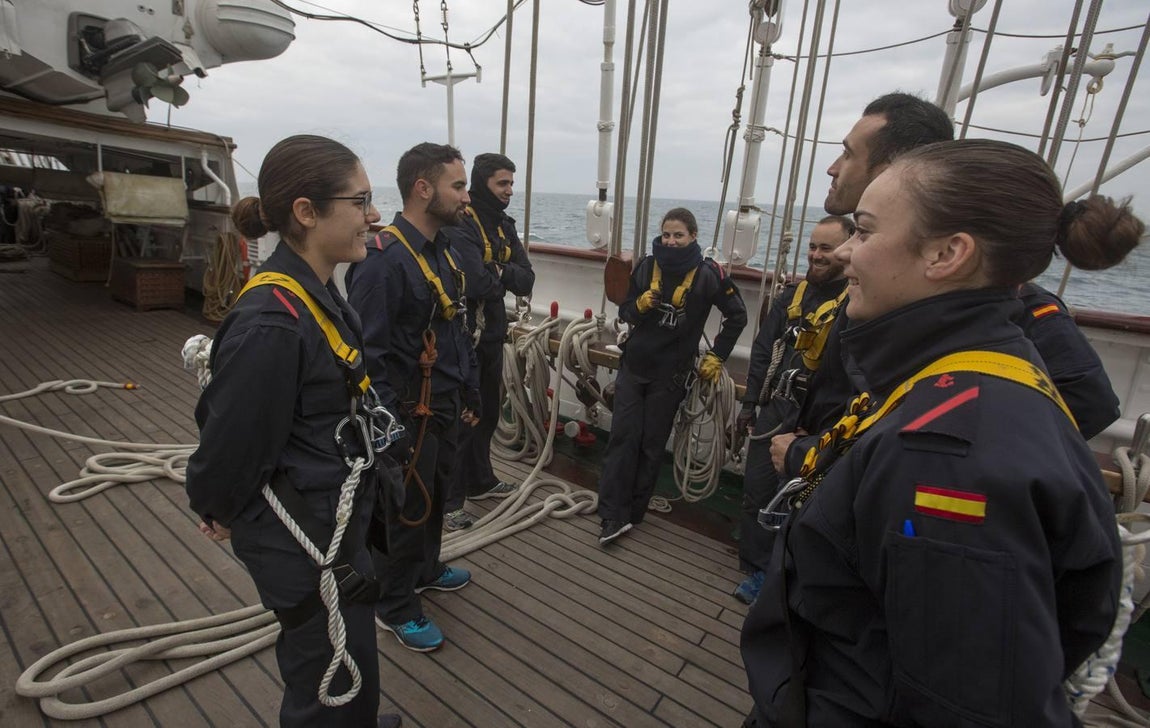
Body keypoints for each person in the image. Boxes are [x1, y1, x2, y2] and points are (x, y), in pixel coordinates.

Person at [741, 138, 1138, 726]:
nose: (848, 253)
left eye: (867, 232)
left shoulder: (946, 456)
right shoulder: (978, 378)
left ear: (948, 253)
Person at [184, 135, 403, 728]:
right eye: (360, 201)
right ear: (307, 213)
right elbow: (231, 443)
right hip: (303, 539)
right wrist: (215, 505)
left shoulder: (313, 295)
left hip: (332, 520)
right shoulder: (273, 323)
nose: (373, 214)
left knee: (349, 648)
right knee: (323, 675)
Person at [346, 142, 478, 653]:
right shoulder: (383, 262)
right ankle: (395, 606)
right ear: (424, 190)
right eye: (458, 186)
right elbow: (366, 355)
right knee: (405, 512)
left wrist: (468, 388)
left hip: (443, 405)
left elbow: (455, 326)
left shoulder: (443, 250)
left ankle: (424, 569)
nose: (466, 198)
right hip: (407, 415)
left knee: (437, 497)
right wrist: (387, 432)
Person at [596, 207, 747, 545]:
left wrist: (717, 356)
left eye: (679, 235)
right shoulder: (648, 267)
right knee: (623, 438)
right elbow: (625, 310)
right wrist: (640, 307)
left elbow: (737, 316)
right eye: (666, 234)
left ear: (693, 237)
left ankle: (633, 513)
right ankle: (611, 513)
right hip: (635, 368)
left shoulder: (710, 275)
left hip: (671, 375)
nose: (671, 241)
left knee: (650, 445)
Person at [732, 215, 853, 604]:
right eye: (813, 247)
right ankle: (755, 567)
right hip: (776, 408)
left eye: (826, 248)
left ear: (849, 250)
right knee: (757, 490)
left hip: (817, 421)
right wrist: (750, 404)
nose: (816, 255)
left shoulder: (857, 306)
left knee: (802, 501)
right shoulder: (791, 298)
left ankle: (784, 577)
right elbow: (764, 352)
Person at [442, 152, 535, 531]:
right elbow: (475, 282)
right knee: (464, 419)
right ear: (483, 184)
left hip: (493, 334)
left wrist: (495, 269)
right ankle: (449, 502)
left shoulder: (503, 226)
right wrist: (500, 275)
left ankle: (480, 481)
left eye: (512, 184)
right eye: (503, 183)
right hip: (465, 336)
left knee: (490, 413)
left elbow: (527, 280)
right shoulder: (462, 226)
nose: (509, 191)